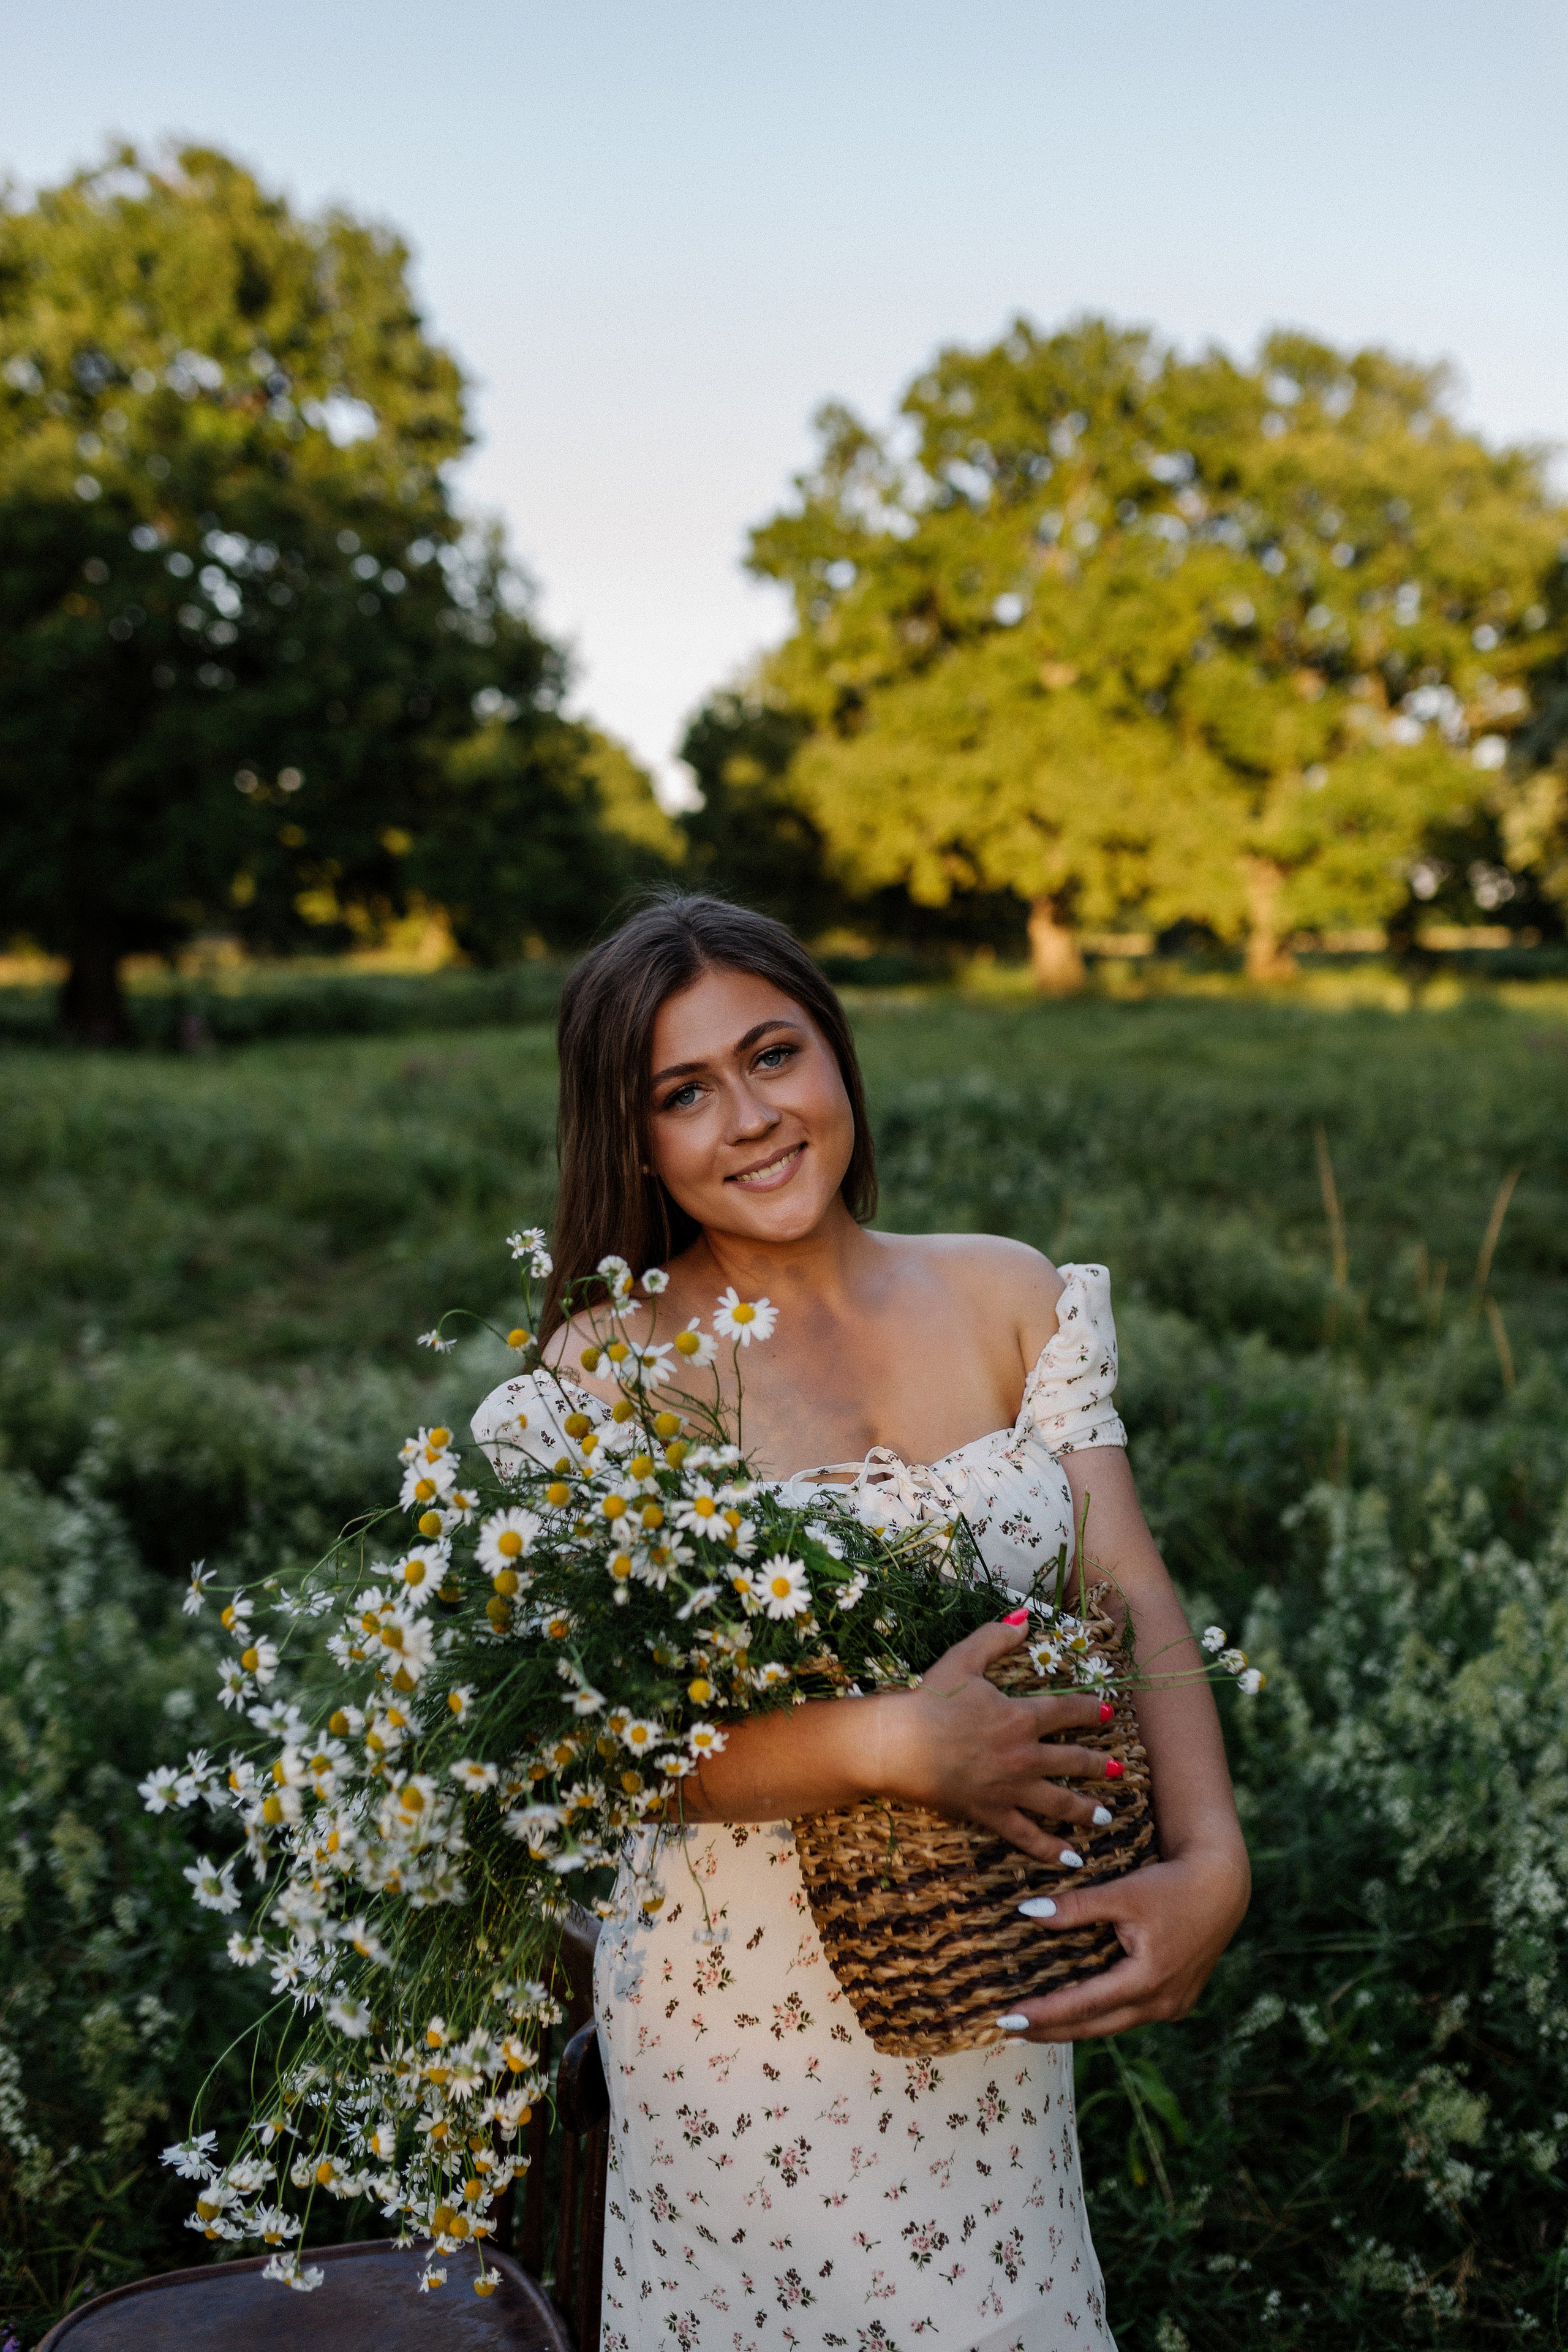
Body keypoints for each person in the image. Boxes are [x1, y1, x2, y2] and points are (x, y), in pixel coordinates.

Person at [473, 895, 1250, 2352]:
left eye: (773, 1054)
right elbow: (591, 1756)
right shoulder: (602, 1377)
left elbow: (1126, 1586)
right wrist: (889, 1743)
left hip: (981, 1966)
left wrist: (1214, 1864)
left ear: (835, 1050)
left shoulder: (1008, 1293)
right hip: (739, 2033)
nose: (750, 1118)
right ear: (631, 1141)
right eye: (682, 1092)